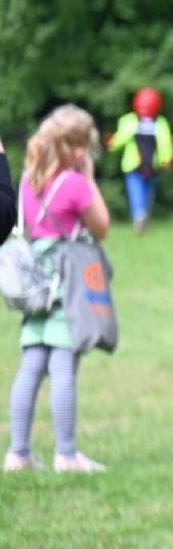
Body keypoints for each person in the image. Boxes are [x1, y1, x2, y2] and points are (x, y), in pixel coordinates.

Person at [6, 106, 111, 473]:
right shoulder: (75, 185)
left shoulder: (29, 180)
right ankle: (66, 454)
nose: (86, 154)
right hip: (66, 286)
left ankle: (17, 453)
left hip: (34, 285)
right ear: (73, 147)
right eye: (84, 146)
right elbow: (101, 227)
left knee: (31, 365)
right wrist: (91, 180)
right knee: (65, 364)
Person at [104, 87, 173, 233]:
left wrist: (111, 142)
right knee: (147, 192)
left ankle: (139, 215)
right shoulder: (160, 123)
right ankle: (142, 215)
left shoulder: (130, 121)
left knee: (136, 191)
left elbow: (121, 138)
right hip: (152, 166)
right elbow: (165, 144)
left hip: (134, 165)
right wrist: (166, 159)